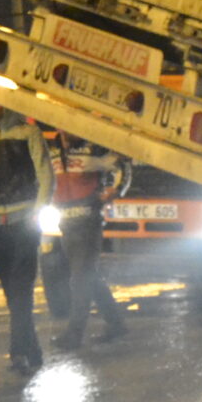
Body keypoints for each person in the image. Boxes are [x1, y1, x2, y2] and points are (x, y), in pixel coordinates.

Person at [0, 103, 50, 375]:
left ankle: (18, 351)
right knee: (13, 290)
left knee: (20, 287)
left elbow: (45, 174)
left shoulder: (29, 133)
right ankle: (32, 349)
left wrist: (37, 212)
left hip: (23, 220)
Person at [49, 137, 125, 353]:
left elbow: (120, 165)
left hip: (88, 223)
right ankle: (117, 324)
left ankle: (74, 335)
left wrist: (115, 190)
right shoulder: (52, 152)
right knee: (88, 276)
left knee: (80, 278)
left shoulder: (93, 149)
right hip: (66, 225)